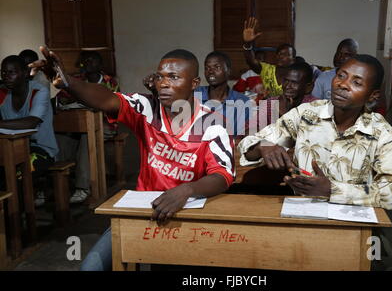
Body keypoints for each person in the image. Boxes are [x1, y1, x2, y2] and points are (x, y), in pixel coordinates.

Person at [30, 47, 235, 270]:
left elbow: (222, 175)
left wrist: (185, 190)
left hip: (185, 210)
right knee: (90, 267)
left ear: (194, 84)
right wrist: (68, 82)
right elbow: (107, 99)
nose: (164, 84)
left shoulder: (212, 122)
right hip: (142, 209)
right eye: (160, 76)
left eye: (174, 77)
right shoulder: (147, 108)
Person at [239, 55, 392, 210]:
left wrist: (332, 190)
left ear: (372, 96)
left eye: (356, 82)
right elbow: (248, 143)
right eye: (341, 76)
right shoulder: (306, 114)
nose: (343, 84)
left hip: (352, 222)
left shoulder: (381, 132)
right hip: (302, 212)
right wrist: (263, 145)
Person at [55, 51, 120, 203]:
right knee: (63, 138)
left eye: (93, 61)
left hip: (105, 124)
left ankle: (82, 187)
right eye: (86, 61)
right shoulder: (77, 80)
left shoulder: (109, 82)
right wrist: (68, 102)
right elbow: (60, 99)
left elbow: (115, 107)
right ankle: (59, 182)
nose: (88, 63)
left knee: (87, 138)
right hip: (79, 122)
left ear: (100, 65)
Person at [0, 55, 58, 206]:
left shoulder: (39, 92)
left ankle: (17, 220)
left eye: (12, 72)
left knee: (15, 176)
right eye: (4, 72)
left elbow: (31, 122)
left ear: (25, 73)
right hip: (11, 149)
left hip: (41, 150)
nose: (6, 77)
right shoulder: (3, 93)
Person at [195, 51, 254, 138]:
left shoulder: (242, 102)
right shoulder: (195, 94)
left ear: (228, 71)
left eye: (217, 67)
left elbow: (242, 137)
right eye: (207, 68)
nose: (210, 71)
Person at [248, 61, 317, 135]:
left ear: (308, 87)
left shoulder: (315, 107)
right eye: (285, 81)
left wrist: (290, 113)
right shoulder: (270, 104)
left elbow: (307, 138)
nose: (287, 86)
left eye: (294, 83)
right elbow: (250, 130)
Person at [243, 17, 296, 98]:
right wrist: (247, 43)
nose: (281, 56)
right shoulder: (267, 70)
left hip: (290, 108)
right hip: (268, 106)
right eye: (279, 54)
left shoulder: (297, 74)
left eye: (286, 54)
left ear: (293, 59)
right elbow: (251, 61)